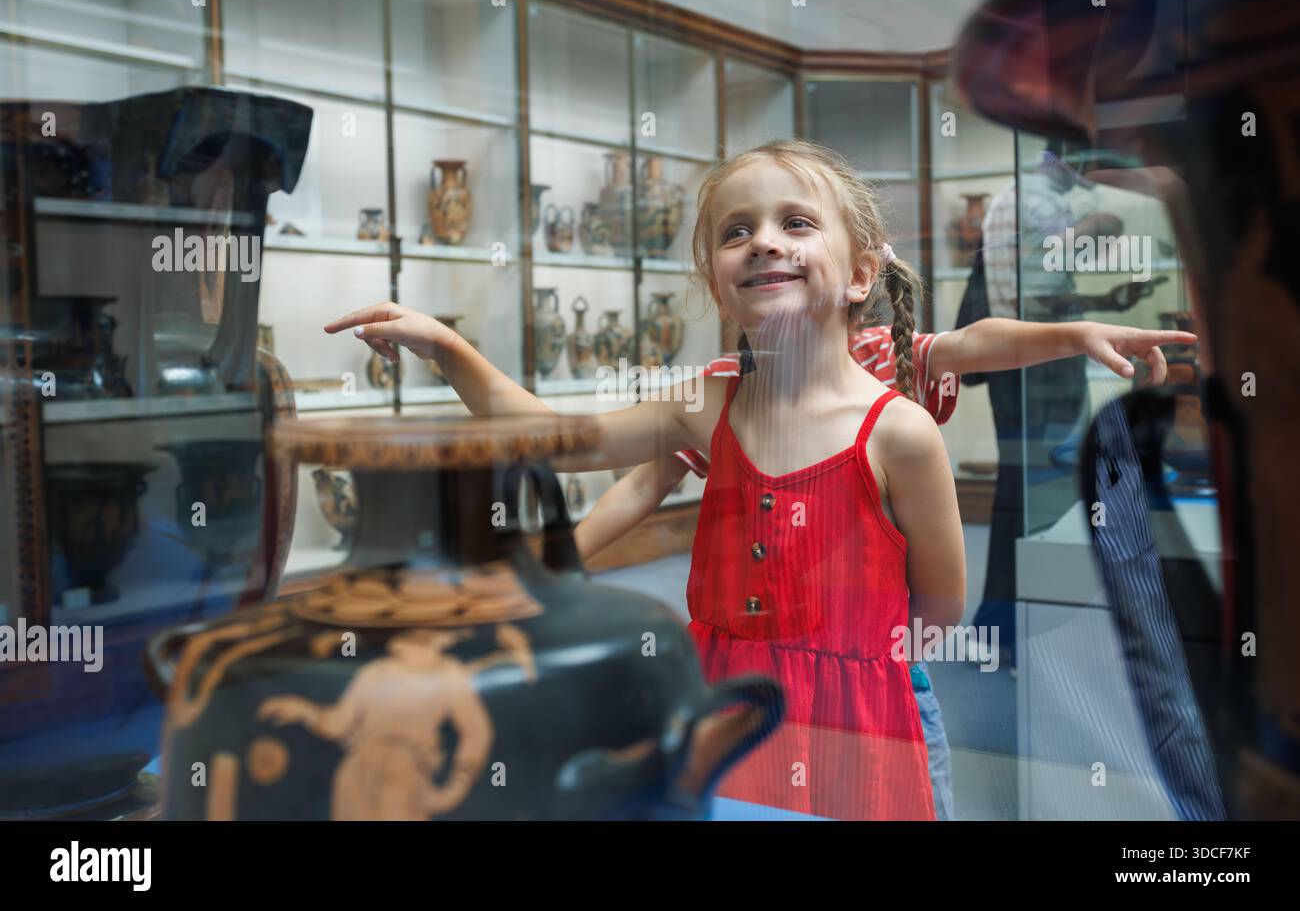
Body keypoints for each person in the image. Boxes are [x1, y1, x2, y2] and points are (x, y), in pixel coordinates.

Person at [324, 138, 1189, 819]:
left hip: (861, 716)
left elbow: (938, 608)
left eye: (795, 223)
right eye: (736, 231)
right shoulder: (709, 405)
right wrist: (449, 348)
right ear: (717, 282)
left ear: (859, 275)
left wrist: (855, 660)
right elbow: (554, 437)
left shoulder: (902, 430)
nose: (763, 240)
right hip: (726, 699)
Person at [573, 315, 1193, 821]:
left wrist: (1075, 335)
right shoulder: (726, 387)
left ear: (855, 276)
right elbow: (642, 483)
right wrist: (556, 562)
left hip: (868, 659)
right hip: (759, 654)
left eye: (799, 227)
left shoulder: (878, 357)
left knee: (900, 787)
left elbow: (974, 343)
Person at [975, 142, 1165, 667]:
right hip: (1035, 368)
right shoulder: (1039, 201)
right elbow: (1042, 295)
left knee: (1027, 495)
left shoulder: (1024, 196)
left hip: (1026, 362)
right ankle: (1009, 632)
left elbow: (1041, 291)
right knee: (1035, 497)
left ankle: (1001, 629)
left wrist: (1104, 305)